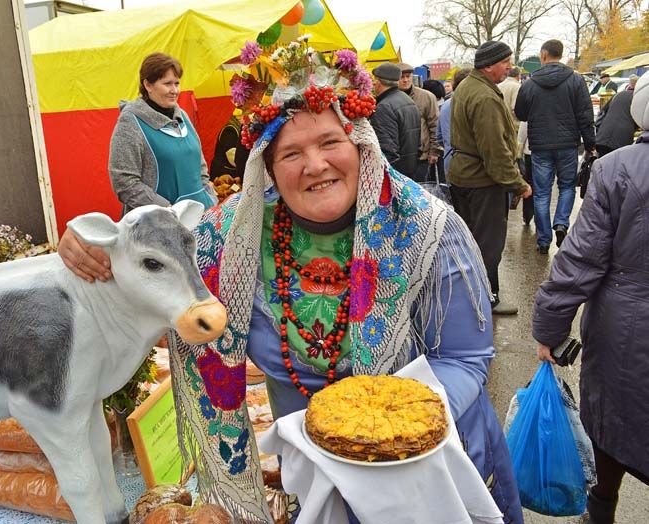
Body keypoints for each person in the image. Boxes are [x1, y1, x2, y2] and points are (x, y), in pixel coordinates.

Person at [58, 44, 523, 524]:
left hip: (427, 471)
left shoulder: (426, 229)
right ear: (268, 168)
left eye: (329, 142)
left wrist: (370, 429)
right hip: (312, 477)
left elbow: (465, 359)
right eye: (292, 152)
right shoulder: (229, 238)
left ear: (360, 143)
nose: (315, 165)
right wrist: (93, 250)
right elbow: (149, 264)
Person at [532, 71, 649, 524]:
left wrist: (548, 330)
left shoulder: (618, 169)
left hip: (626, 332)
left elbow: (579, 263)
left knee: (613, 427)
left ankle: (599, 511)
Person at [448, 40, 532, 315]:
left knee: (471, 241)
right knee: (487, 244)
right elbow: (494, 151)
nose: (510, 66)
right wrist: (517, 184)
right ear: (488, 65)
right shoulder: (484, 96)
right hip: (482, 181)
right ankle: (484, 300)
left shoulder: (470, 87)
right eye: (505, 62)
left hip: (466, 175)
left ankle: (477, 296)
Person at [109, 52, 217, 215]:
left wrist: (209, 197)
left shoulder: (183, 117)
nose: (174, 90)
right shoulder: (131, 123)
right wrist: (168, 210)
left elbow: (199, 166)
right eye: (167, 84)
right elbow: (124, 181)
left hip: (200, 218)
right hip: (157, 225)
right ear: (148, 85)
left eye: (177, 83)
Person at [515, 39, 595, 253]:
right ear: (560, 54)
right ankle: (561, 223)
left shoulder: (530, 84)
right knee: (567, 186)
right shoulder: (576, 81)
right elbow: (585, 115)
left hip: (540, 146)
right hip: (568, 144)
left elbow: (520, 113)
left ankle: (543, 240)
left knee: (541, 193)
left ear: (543, 55)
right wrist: (590, 144)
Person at [370, 62, 421, 180]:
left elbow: (388, 151)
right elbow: (418, 145)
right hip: (409, 172)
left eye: (375, 80)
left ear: (379, 82)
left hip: (396, 176)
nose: (373, 84)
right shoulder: (407, 100)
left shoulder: (384, 107)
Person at [397, 63, 441, 182]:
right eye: (402, 77)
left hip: (421, 156)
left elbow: (435, 125)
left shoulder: (426, 96)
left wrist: (434, 151)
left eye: (408, 76)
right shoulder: (391, 98)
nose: (405, 80)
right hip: (398, 157)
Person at [437, 68, 471, 175]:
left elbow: (439, 136)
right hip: (471, 165)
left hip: (450, 160)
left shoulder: (445, 105)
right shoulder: (472, 103)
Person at [595, 81, 638, 157]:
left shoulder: (619, 94)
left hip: (603, 136)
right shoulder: (639, 100)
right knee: (616, 167)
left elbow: (601, 114)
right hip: (621, 140)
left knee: (602, 166)